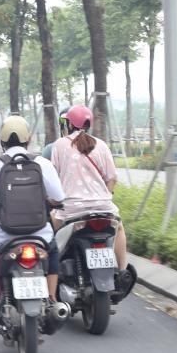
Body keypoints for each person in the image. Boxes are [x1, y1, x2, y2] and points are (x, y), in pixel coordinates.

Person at [0, 116, 66, 319]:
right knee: (52, 252)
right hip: (39, 235)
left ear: (1, 141)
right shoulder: (42, 163)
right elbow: (59, 197)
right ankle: (52, 299)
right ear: (28, 140)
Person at [49, 105, 128, 272]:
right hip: (103, 207)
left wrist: (52, 201)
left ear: (68, 124)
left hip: (71, 209)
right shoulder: (101, 145)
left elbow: (53, 179)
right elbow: (112, 178)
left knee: (50, 233)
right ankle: (122, 270)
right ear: (88, 124)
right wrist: (104, 195)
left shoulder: (60, 145)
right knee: (119, 227)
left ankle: (52, 276)